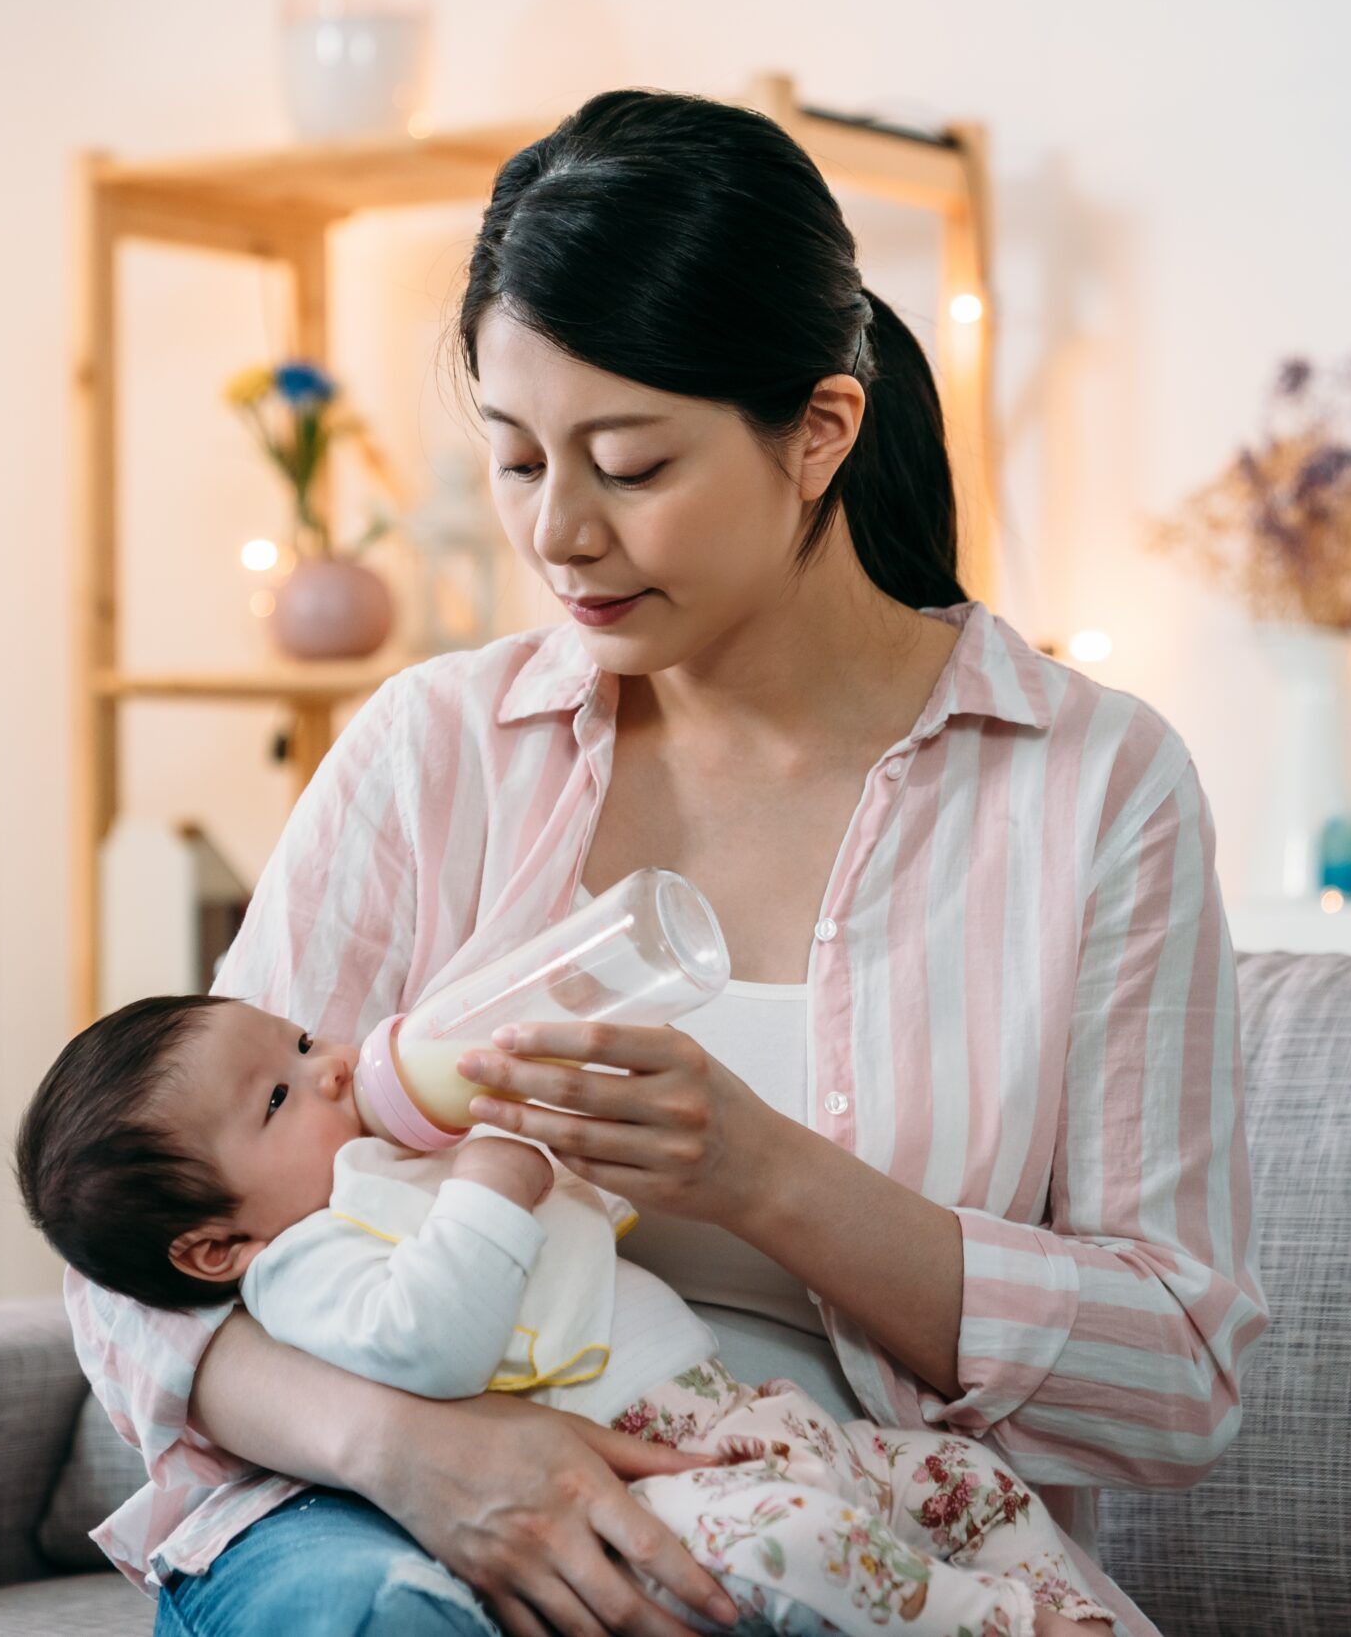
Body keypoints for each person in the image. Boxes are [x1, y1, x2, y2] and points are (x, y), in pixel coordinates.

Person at [62, 86, 1268, 1637]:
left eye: (628, 464)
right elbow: (140, 1249)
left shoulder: (1091, 786)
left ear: (820, 431)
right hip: (384, 1516)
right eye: (515, 460)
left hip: (824, 1516)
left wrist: (766, 1175)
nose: (559, 532)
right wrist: (418, 1447)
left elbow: (1180, 1373)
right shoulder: (436, 749)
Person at [17, 992, 1119, 1634]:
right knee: (799, 1547)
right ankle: (996, 1625)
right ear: (214, 1247)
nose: (335, 1067)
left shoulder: (389, 1166)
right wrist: (490, 1178)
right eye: (278, 1095)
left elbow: (583, 1225)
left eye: (304, 1042)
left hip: (732, 1414)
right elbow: (432, 1341)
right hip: (629, 1471)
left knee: (957, 1478)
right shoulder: (304, 1265)